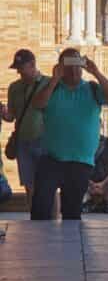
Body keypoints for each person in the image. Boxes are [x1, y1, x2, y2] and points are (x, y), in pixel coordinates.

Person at [30, 48, 108, 221]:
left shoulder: (92, 89)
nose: (73, 70)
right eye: (68, 65)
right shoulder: (51, 88)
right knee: (41, 205)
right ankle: (38, 243)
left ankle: (71, 247)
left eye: (77, 65)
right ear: (60, 67)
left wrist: (96, 72)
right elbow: (38, 104)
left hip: (80, 161)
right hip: (51, 158)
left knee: (72, 212)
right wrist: (55, 79)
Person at [4, 49, 50, 200]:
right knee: (29, 185)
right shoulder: (14, 87)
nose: (19, 72)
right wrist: (3, 112)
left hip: (44, 141)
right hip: (23, 142)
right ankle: (34, 219)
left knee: (48, 186)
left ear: (32, 64)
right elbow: (11, 116)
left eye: (21, 68)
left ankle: (54, 221)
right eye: (17, 68)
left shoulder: (48, 83)